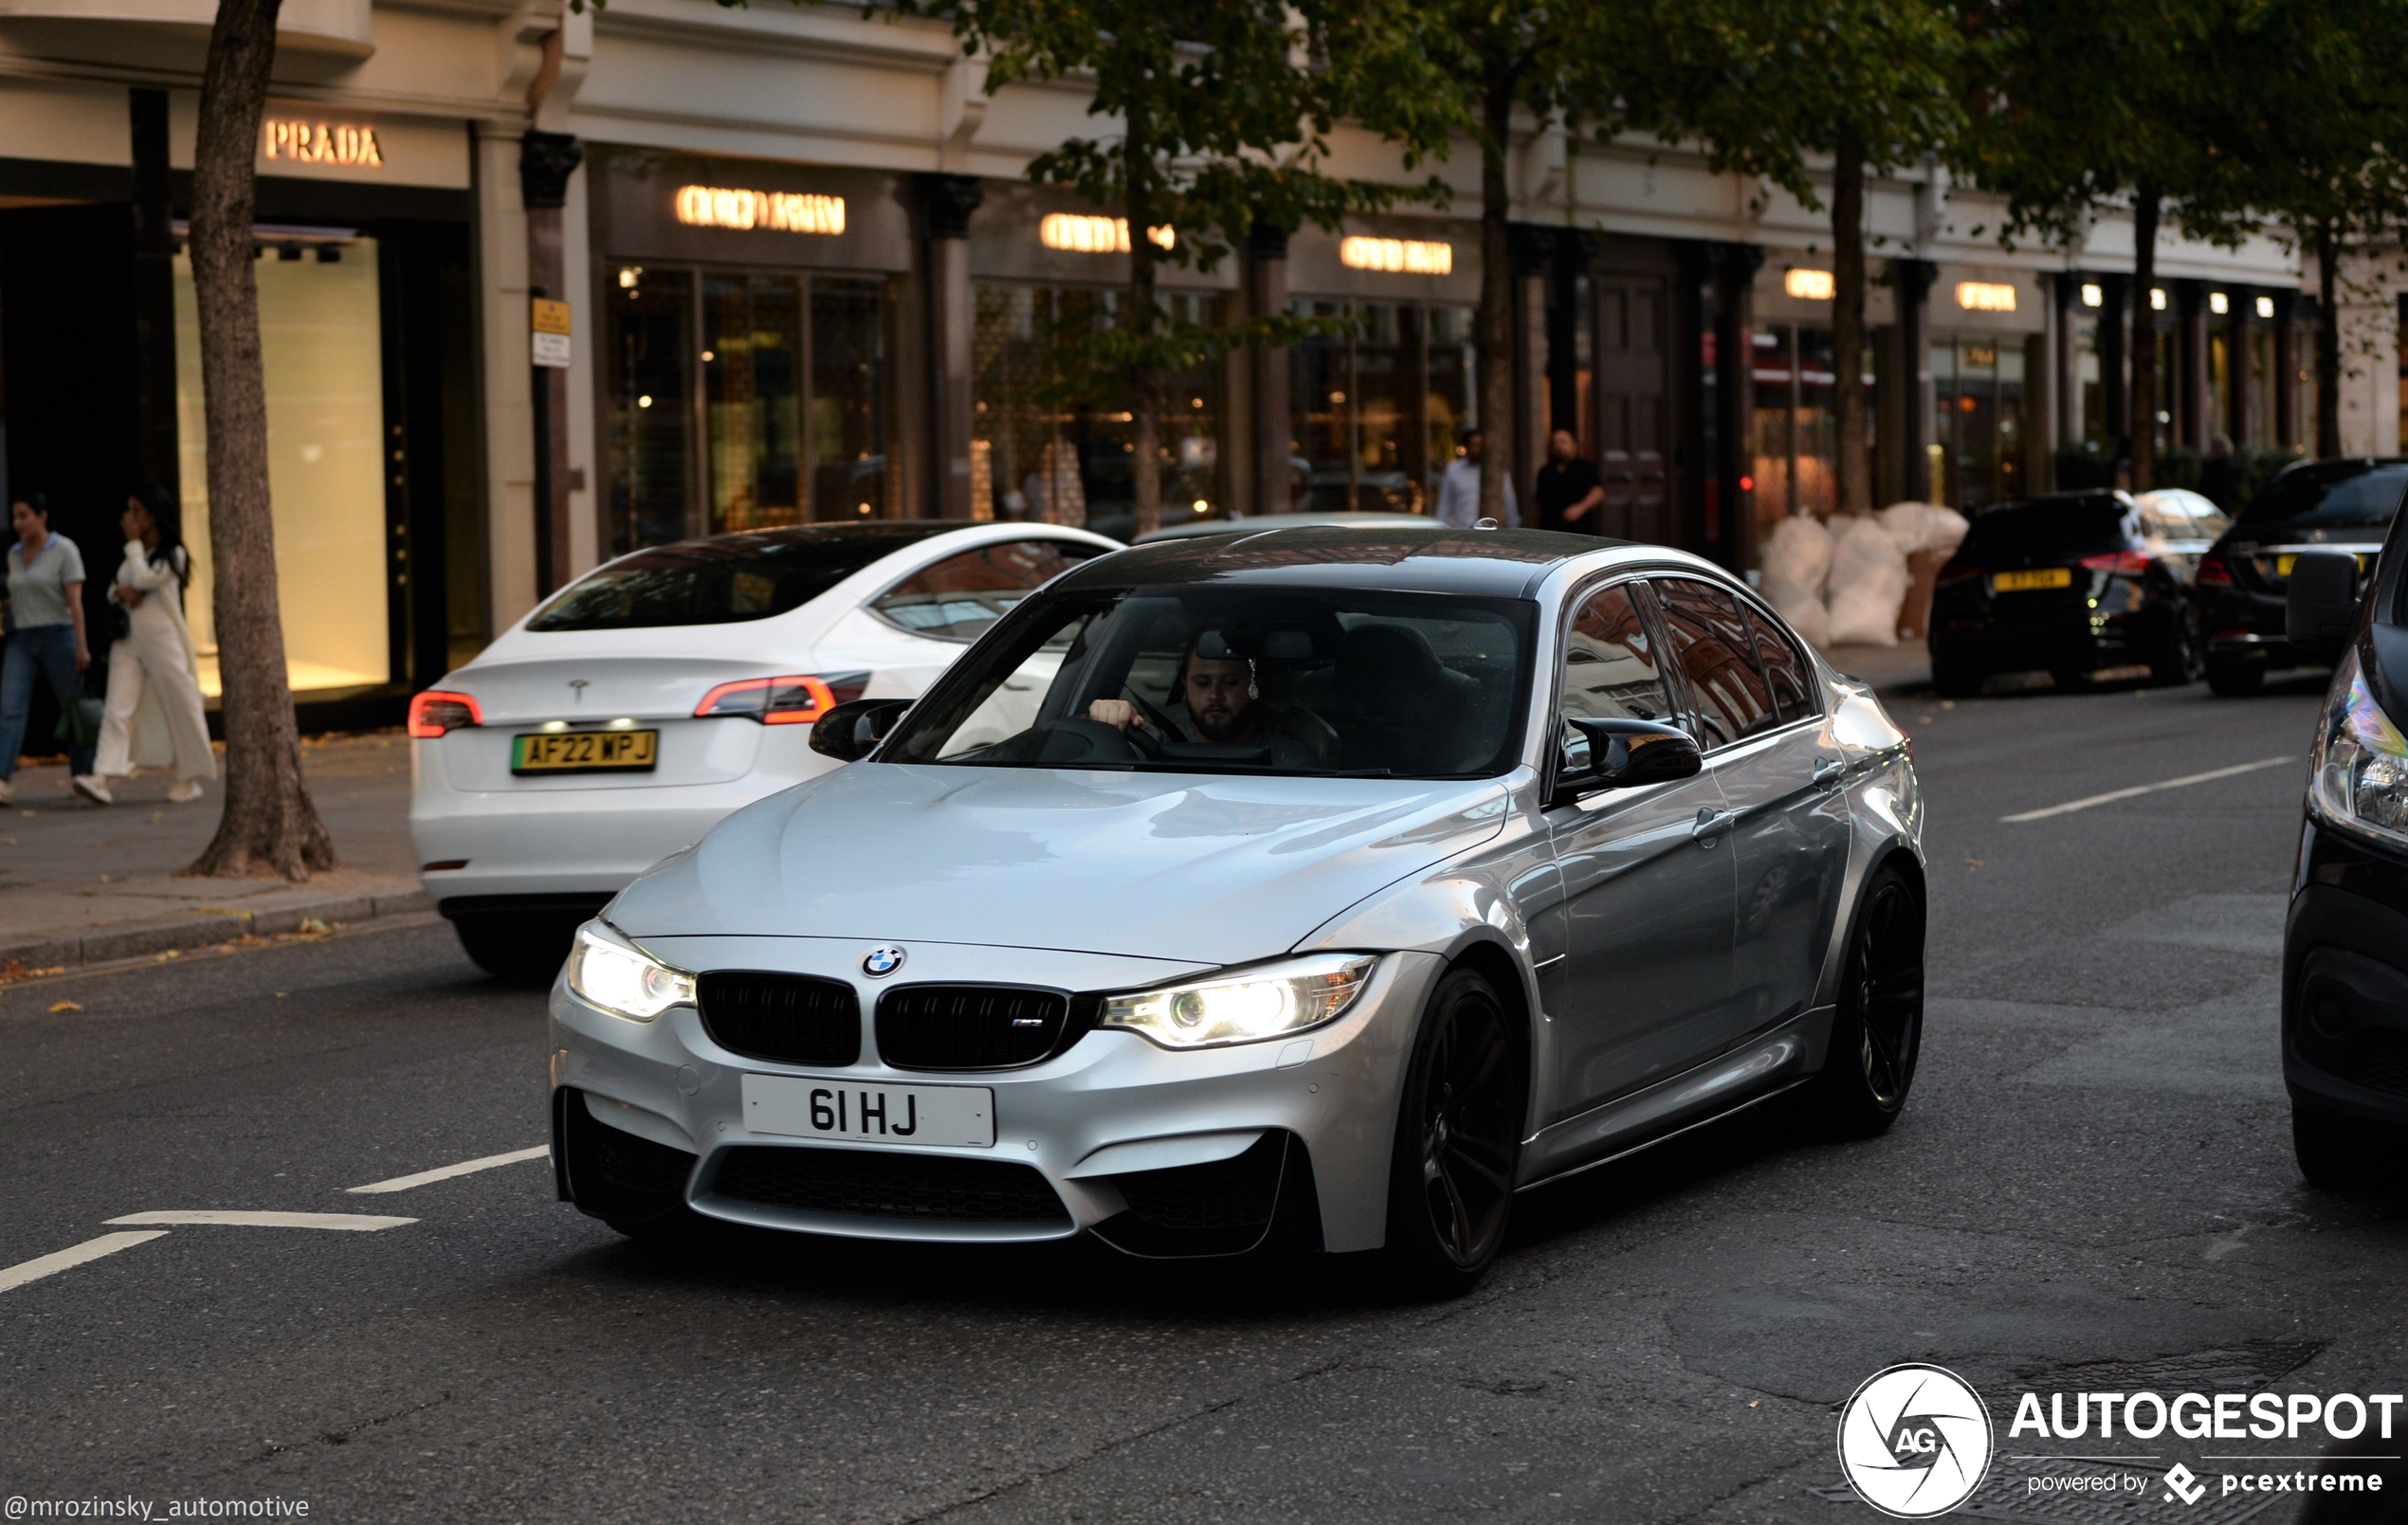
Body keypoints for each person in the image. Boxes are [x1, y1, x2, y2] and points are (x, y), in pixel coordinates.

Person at [93, 482, 215, 805]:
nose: (128, 517)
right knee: (118, 705)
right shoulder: (136, 555)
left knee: (178, 702)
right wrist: (121, 592)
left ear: (152, 516)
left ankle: (188, 777)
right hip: (130, 637)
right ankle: (102, 775)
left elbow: (146, 578)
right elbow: (118, 585)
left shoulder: (172, 554)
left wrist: (133, 548)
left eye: (136, 511)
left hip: (162, 637)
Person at [1088, 637, 1337, 768]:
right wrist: (1107, 725)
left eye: (1230, 683)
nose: (1215, 695)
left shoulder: (1286, 756)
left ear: (1254, 684)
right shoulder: (1151, 737)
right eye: (1202, 682)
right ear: (1185, 682)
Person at [0, 491, 100, 805]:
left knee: (74, 706)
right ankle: (2, 778)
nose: (17, 523)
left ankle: (82, 775)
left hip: (59, 633)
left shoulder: (64, 549)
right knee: (10, 706)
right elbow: (16, 597)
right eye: (14, 516)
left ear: (41, 516)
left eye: (23, 515)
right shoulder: (14, 554)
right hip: (23, 638)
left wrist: (81, 646)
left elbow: (75, 601)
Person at [1432, 426, 1520, 529]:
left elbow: (1509, 504)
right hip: (1461, 531)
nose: (1477, 449)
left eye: (1480, 445)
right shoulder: (1454, 470)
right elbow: (1445, 504)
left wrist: (1514, 528)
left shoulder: (1498, 472)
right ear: (1467, 445)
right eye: (1474, 445)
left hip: (1491, 533)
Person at [1533, 428, 1605, 534]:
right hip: (1551, 530)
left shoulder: (1587, 468)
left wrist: (1580, 508)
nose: (1559, 446)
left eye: (1563, 442)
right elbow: (1538, 504)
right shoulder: (1545, 472)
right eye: (1555, 442)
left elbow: (1598, 492)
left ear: (1574, 445)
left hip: (1581, 530)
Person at [2198, 432, 2240, 514]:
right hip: (2226, 506)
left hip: (2214, 506)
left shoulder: (2213, 467)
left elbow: (2204, 487)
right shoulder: (2231, 465)